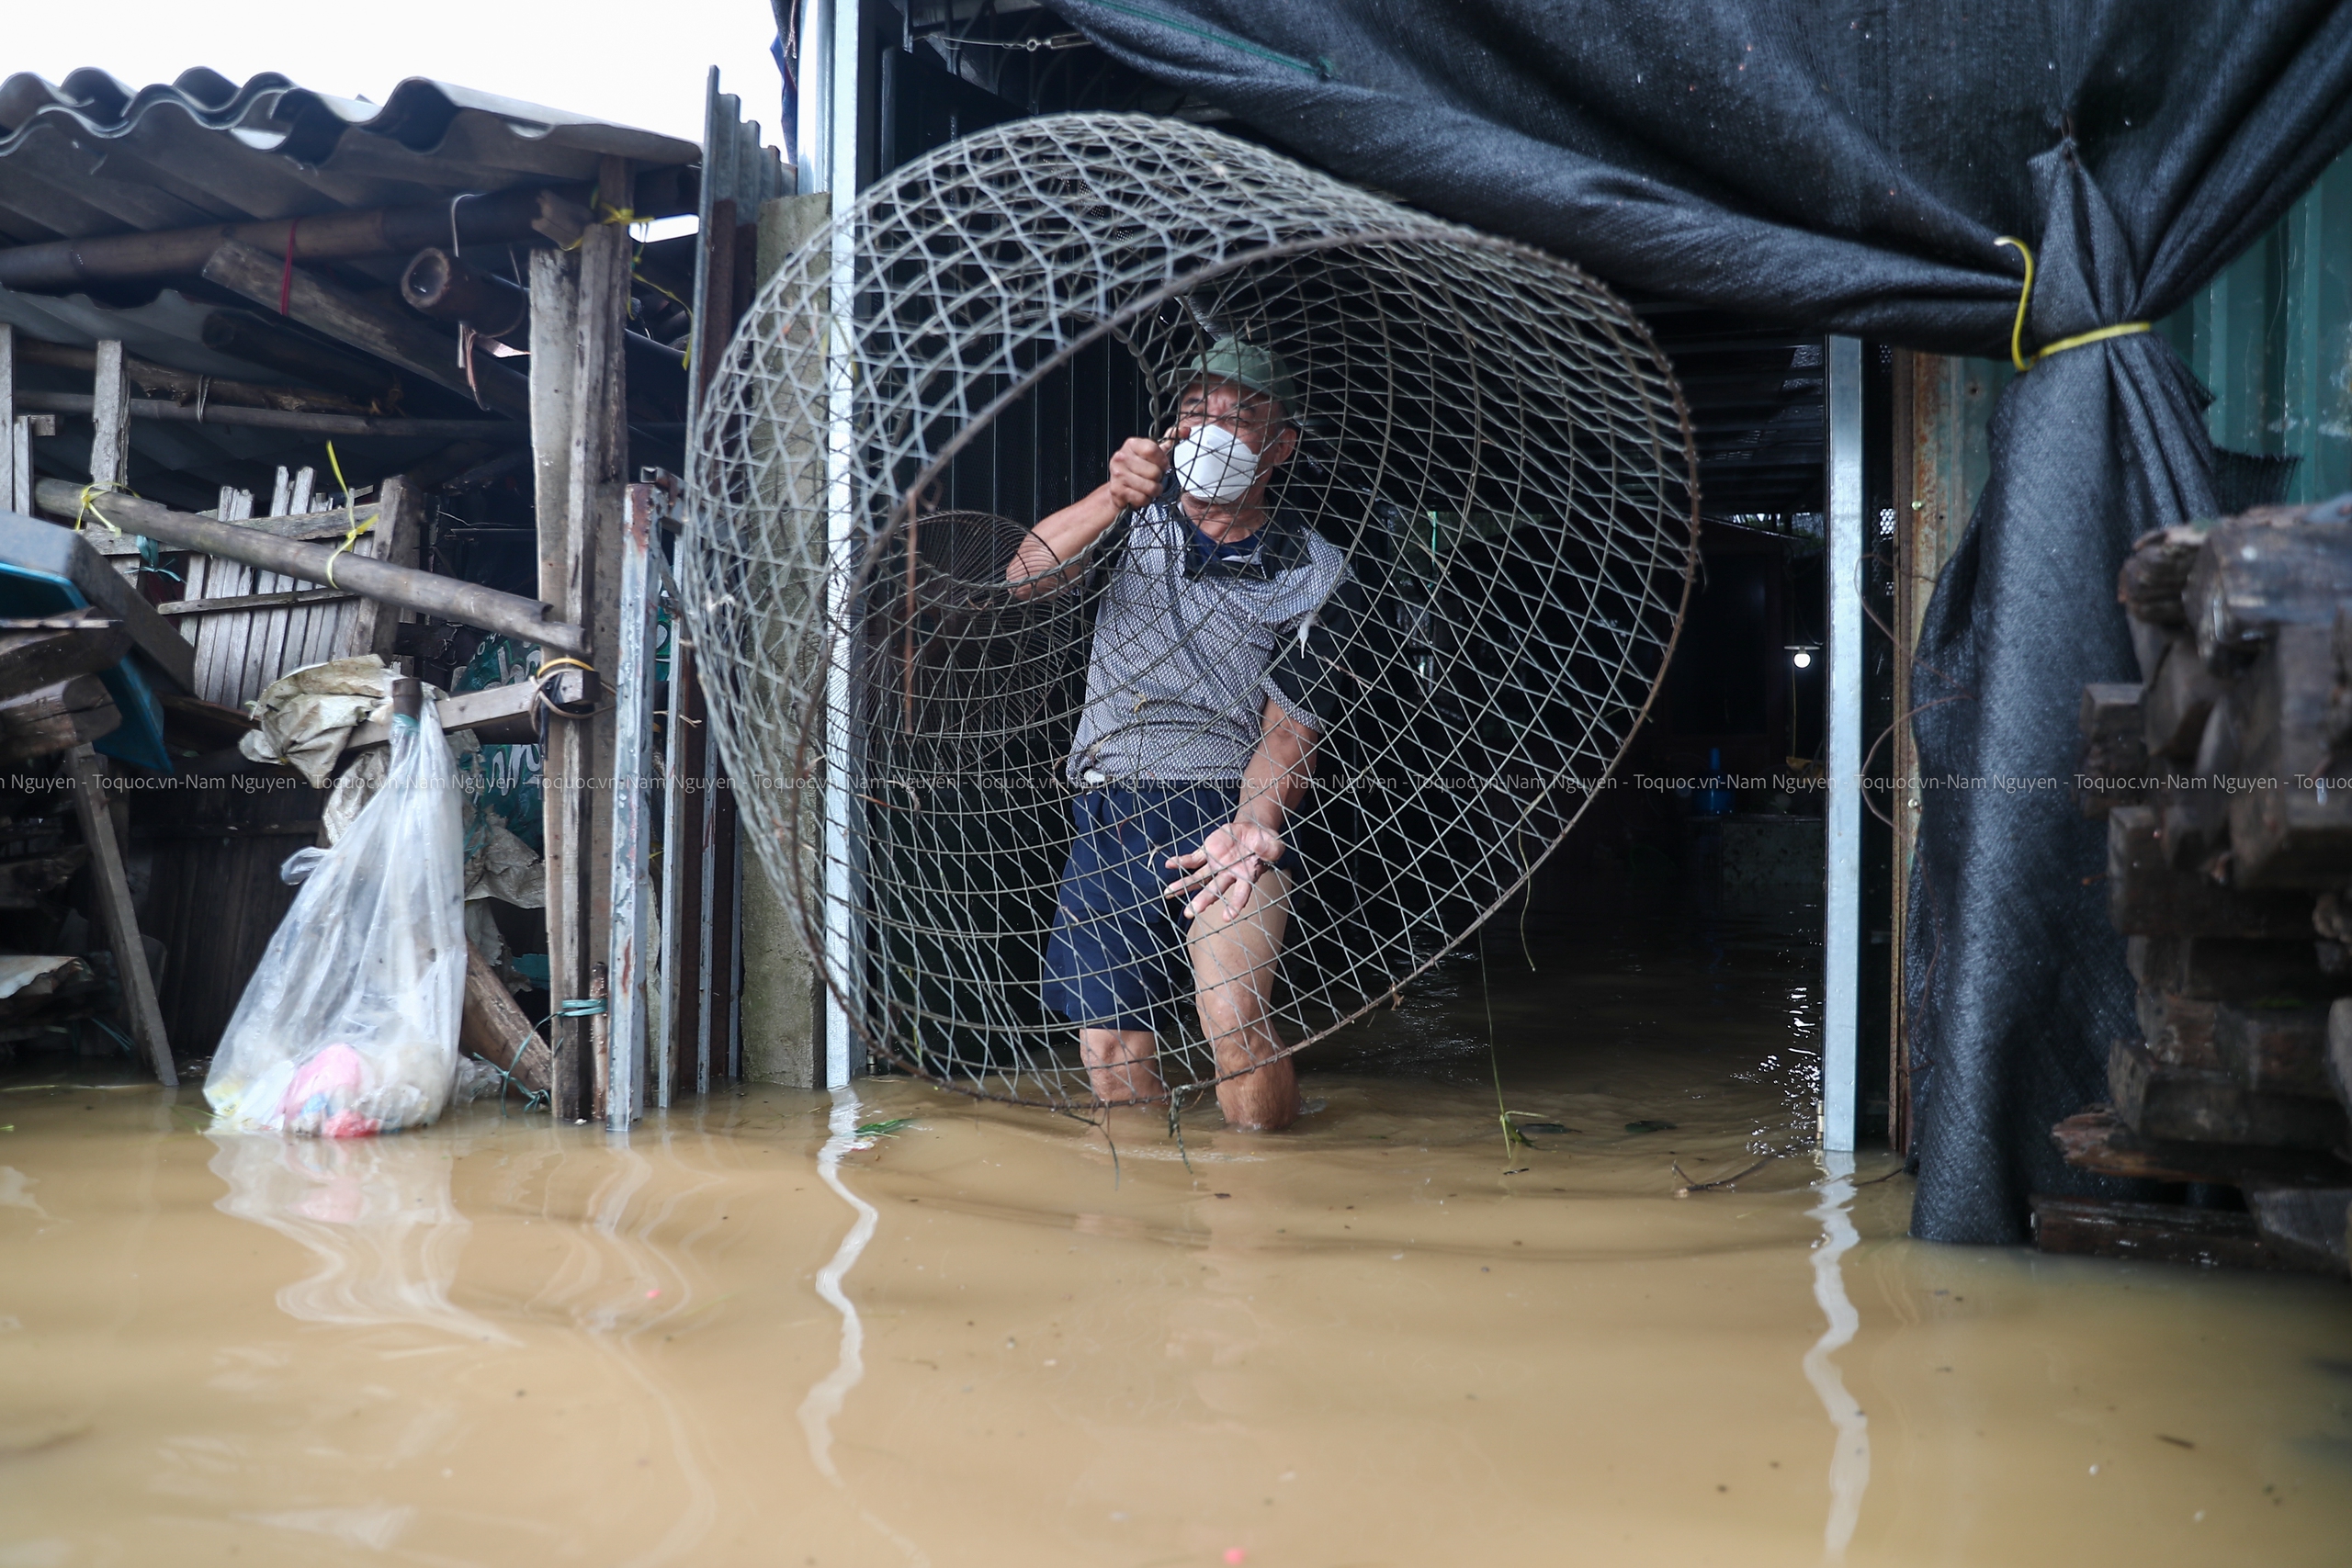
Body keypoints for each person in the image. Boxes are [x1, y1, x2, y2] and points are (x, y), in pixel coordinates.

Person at [1007, 340, 1348, 1132]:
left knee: (1234, 1020)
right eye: (1197, 414)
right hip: (1110, 805)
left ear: (1280, 444)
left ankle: (1263, 1209)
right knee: (1113, 1054)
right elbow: (1022, 576)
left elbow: (1291, 729)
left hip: (1224, 813)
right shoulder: (1130, 523)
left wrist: (1253, 829)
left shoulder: (1318, 570)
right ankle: (1146, 1224)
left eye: (1241, 416)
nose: (1215, 431)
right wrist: (1113, 495)